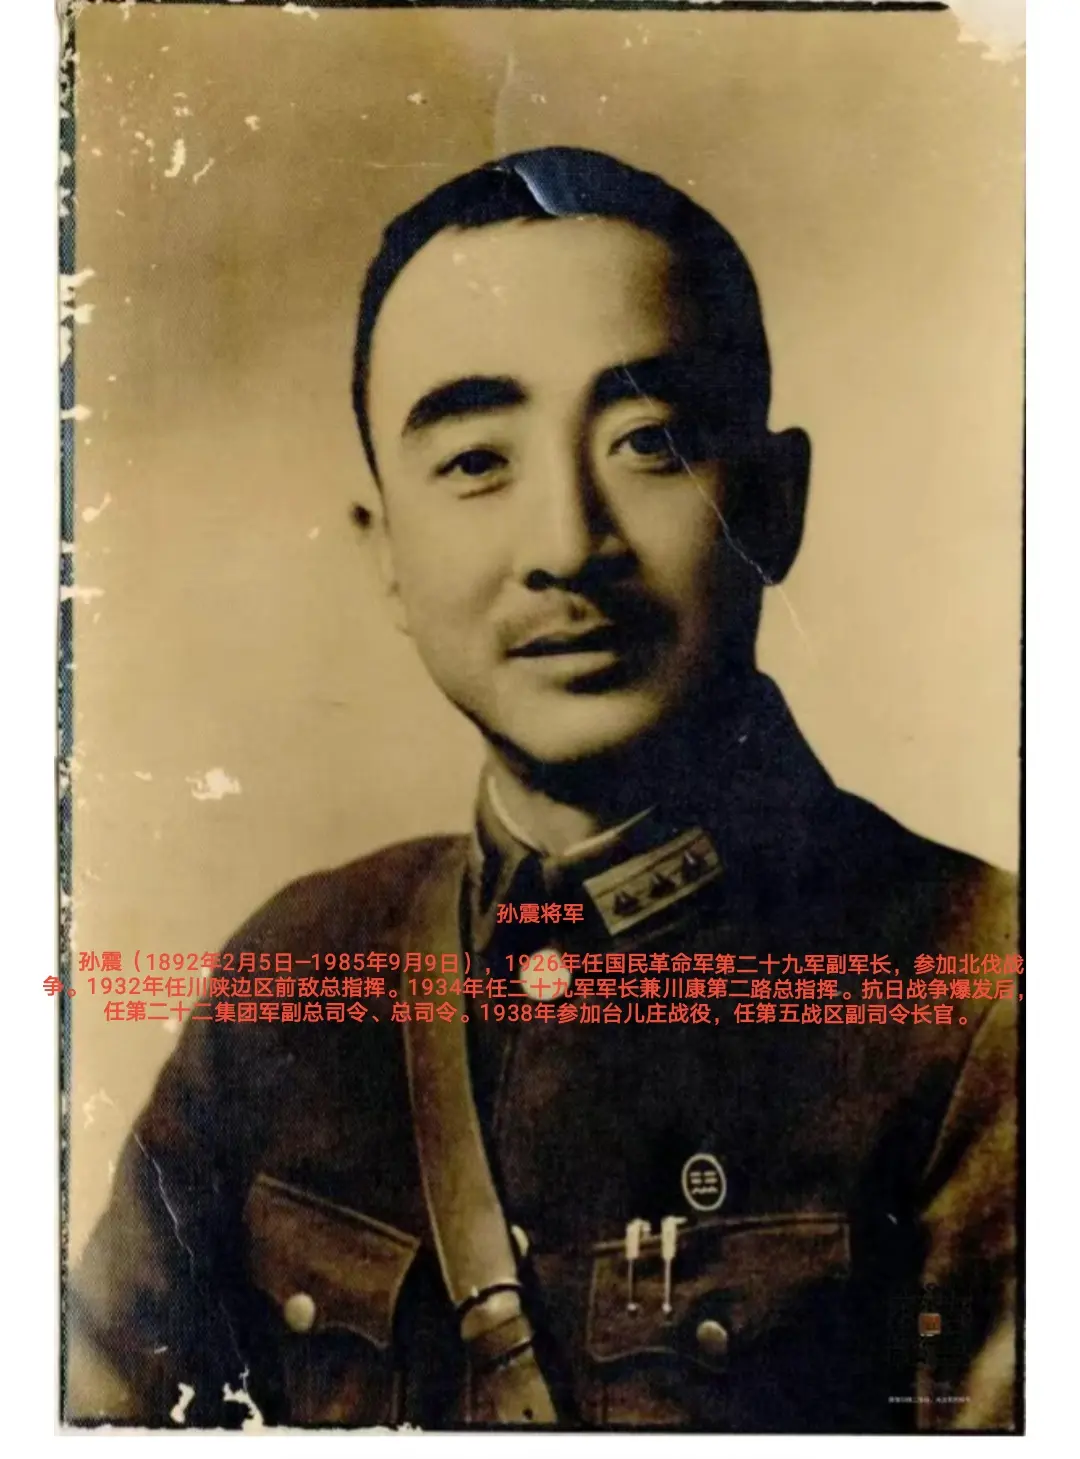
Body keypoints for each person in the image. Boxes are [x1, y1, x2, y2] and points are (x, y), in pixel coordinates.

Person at [67, 147, 1019, 1433]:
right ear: (386, 553)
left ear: (775, 502)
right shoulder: (293, 971)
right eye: (475, 459)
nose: (568, 544)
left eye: (650, 442)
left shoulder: (987, 998)